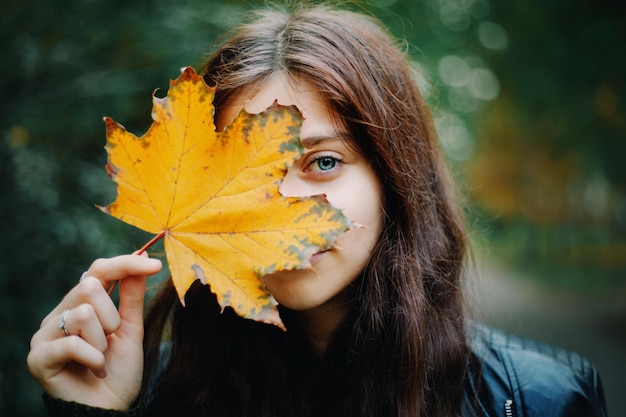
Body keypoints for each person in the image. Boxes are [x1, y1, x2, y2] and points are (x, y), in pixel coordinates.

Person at [27, 3, 607, 417]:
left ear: (394, 180)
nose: (285, 204)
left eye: (324, 163)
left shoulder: (539, 399)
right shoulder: (154, 391)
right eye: (254, 178)